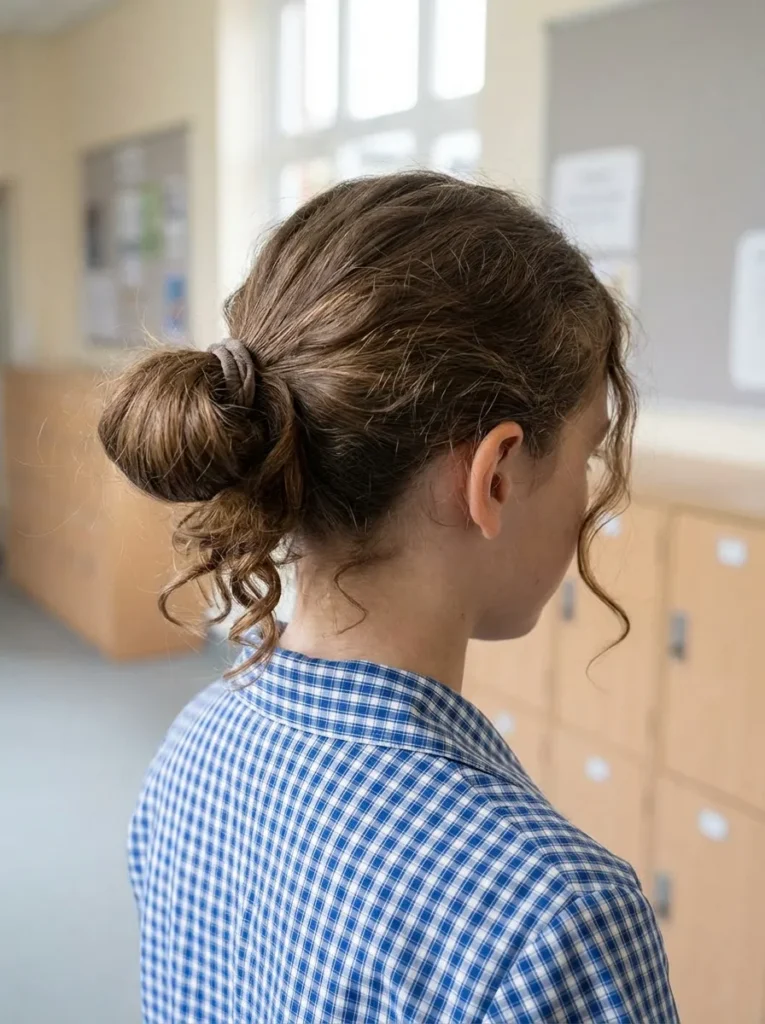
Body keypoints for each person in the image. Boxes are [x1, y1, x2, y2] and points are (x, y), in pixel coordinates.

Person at [99, 172, 677, 1023]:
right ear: (495, 477)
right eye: (588, 453)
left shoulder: (195, 746)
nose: (590, 496)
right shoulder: (553, 917)